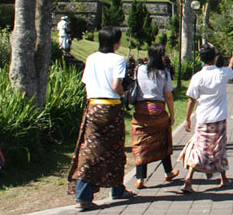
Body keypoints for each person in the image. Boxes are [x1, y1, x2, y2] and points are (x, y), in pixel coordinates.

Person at [67, 27, 136, 209]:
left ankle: (97, 192)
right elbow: (116, 85)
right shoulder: (118, 59)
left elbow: (86, 83)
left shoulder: (91, 58)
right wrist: (125, 91)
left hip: (93, 106)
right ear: (116, 42)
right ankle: (106, 191)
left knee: (89, 149)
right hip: (111, 108)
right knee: (113, 149)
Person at [178, 44, 233, 193]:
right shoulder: (221, 73)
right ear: (214, 57)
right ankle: (222, 178)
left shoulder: (197, 76)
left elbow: (191, 99)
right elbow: (231, 70)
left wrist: (187, 119)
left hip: (203, 118)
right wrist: (232, 60)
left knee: (199, 149)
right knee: (219, 148)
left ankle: (189, 180)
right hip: (219, 119)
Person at [131, 44, 178, 189]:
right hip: (158, 110)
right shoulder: (164, 73)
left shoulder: (139, 69)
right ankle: (168, 172)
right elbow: (168, 96)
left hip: (141, 111)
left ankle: (140, 179)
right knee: (163, 140)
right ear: (161, 56)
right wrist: (172, 114)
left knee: (141, 143)